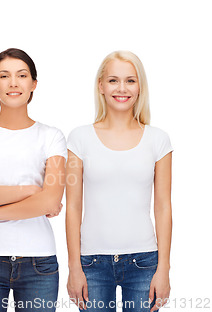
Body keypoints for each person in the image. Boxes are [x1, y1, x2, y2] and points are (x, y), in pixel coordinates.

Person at [0, 48, 66, 312]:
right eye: (4, 76)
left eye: (22, 75)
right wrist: (30, 191)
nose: (13, 83)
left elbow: (51, 199)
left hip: (38, 262)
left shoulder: (52, 136)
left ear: (34, 84)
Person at [66, 51, 173, 312]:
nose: (122, 88)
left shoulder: (158, 140)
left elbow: (163, 207)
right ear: (101, 86)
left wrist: (164, 269)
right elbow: (72, 208)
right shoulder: (79, 139)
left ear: (140, 87)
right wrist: (74, 268)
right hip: (91, 263)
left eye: (130, 81)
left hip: (144, 262)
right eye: (113, 80)